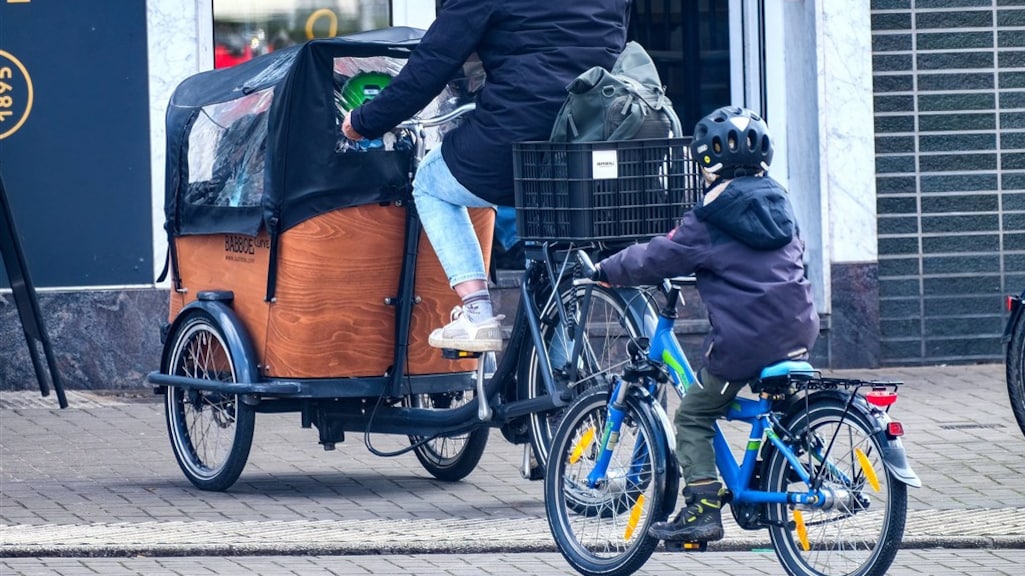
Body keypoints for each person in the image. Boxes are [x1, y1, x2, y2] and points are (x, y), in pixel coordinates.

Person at [342, 1, 631, 352]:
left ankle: (477, 314)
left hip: (522, 130)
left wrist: (364, 121)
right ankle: (560, 392)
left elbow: (431, 65)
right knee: (558, 267)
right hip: (595, 133)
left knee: (432, 184)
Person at [591, 106, 820, 543]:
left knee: (695, 412)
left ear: (707, 164)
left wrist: (606, 267)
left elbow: (656, 257)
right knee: (779, 407)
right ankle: (780, 471)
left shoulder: (708, 218)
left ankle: (702, 510)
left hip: (745, 340)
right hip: (799, 327)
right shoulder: (780, 205)